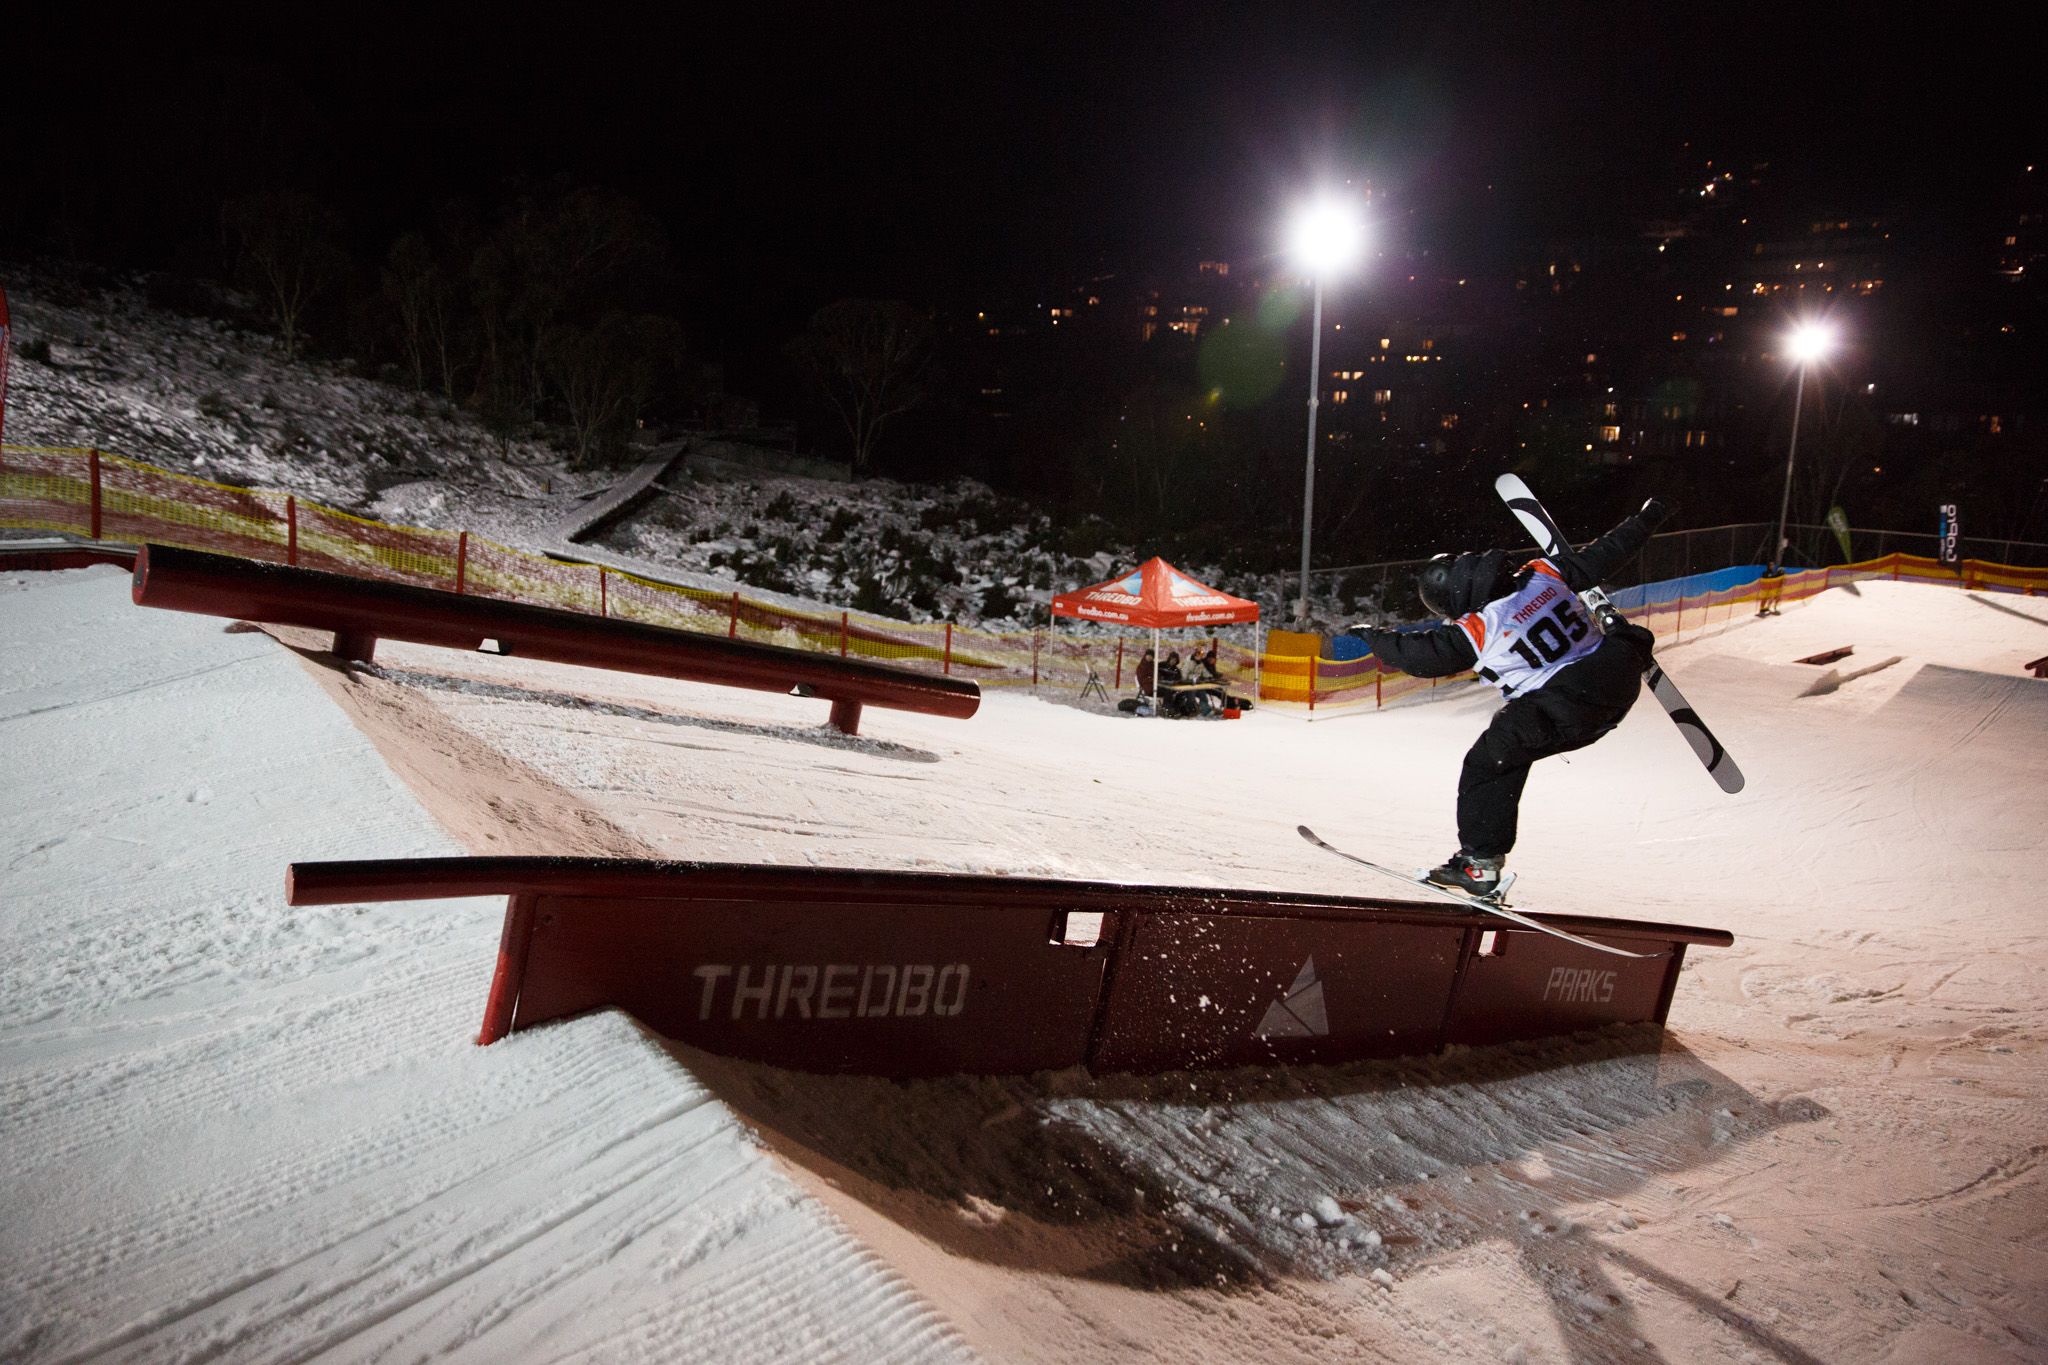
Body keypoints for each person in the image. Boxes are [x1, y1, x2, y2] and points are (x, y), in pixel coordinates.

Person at [1349, 498, 1672, 895]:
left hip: (1564, 706)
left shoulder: (1477, 627)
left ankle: (1479, 865)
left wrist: (1372, 637)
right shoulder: (1544, 573)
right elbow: (1609, 551)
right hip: (1616, 681)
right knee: (1512, 747)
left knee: (1489, 762)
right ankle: (1631, 640)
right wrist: (1648, 517)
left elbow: (1422, 657)